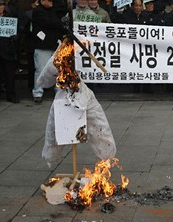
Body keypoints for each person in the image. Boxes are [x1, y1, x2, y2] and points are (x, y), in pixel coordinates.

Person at [37, 39, 116, 169]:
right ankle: (51, 158)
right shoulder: (59, 56)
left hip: (83, 95)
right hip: (63, 99)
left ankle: (106, 159)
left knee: (100, 127)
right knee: (54, 131)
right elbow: (43, 81)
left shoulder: (83, 47)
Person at [31, 0, 64, 104]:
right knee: (40, 70)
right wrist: (60, 22)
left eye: (51, 1)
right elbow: (48, 23)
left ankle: (58, 90)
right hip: (42, 46)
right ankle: (37, 92)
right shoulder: (38, 12)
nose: (51, 3)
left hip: (54, 45)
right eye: (48, 0)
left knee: (57, 70)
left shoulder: (53, 10)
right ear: (42, 1)